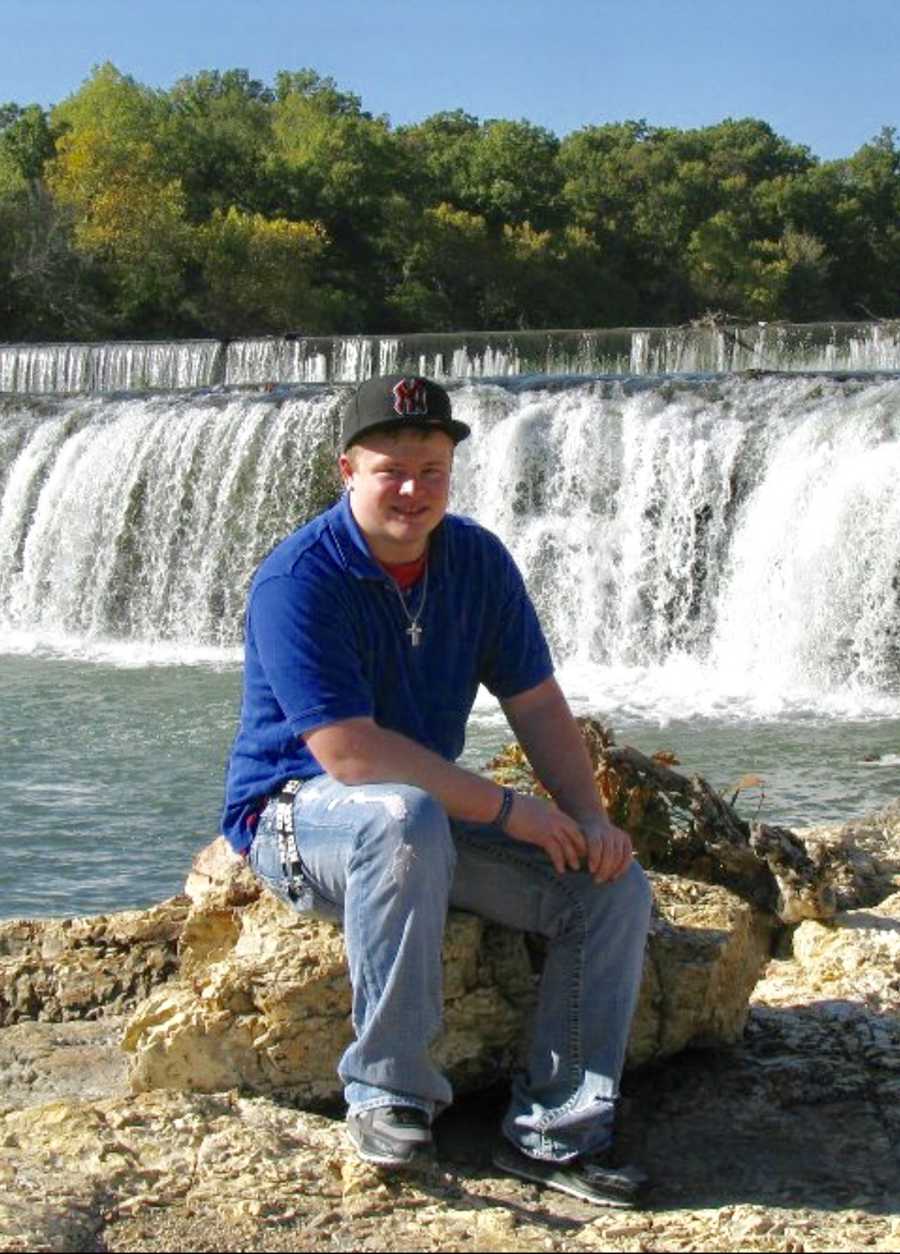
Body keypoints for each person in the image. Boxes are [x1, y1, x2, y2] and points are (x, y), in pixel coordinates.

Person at [221, 374, 653, 1208]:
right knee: (402, 812)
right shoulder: (298, 580)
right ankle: (388, 1092)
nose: (414, 491)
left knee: (609, 888)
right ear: (348, 470)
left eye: (433, 471)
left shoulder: (477, 561)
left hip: (421, 830)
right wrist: (509, 810)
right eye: (393, 471)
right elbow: (348, 754)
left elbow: (535, 704)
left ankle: (556, 1131)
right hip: (297, 819)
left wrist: (590, 821)